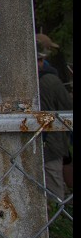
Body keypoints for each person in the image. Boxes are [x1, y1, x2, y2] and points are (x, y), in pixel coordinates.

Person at [37, 34, 72, 204]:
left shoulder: (45, 79)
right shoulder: (51, 79)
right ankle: (55, 218)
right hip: (51, 142)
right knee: (54, 188)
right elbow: (67, 106)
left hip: (42, 141)